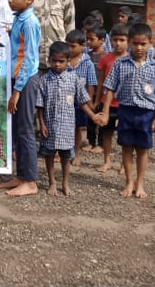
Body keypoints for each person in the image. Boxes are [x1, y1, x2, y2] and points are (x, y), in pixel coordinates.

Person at [98, 23, 155, 199]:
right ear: (130, 43)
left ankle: (140, 183)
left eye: (143, 44)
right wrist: (105, 112)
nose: (138, 48)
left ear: (150, 44)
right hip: (126, 111)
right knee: (126, 147)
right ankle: (129, 182)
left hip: (146, 113)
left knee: (143, 149)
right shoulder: (120, 64)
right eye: (135, 44)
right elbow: (110, 88)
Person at [38, 41, 104, 196]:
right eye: (54, 61)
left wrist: (93, 115)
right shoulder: (44, 80)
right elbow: (39, 105)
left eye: (61, 61)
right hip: (50, 124)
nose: (57, 64)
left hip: (67, 126)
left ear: (68, 61)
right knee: (49, 154)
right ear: (49, 60)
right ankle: (52, 182)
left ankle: (65, 183)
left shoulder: (73, 78)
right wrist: (41, 124)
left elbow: (82, 101)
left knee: (66, 156)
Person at [0, 0, 41, 197]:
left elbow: (30, 59)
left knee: (25, 131)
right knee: (17, 130)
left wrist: (17, 91)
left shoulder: (30, 22)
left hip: (25, 81)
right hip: (16, 79)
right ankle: (22, 176)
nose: (10, 1)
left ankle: (31, 182)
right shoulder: (19, 19)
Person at [93, 23, 129, 172]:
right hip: (106, 103)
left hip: (125, 104)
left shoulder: (131, 60)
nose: (118, 43)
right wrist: (96, 100)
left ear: (128, 41)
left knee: (124, 135)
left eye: (122, 40)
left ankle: (123, 163)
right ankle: (107, 160)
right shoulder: (106, 59)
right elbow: (100, 80)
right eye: (115, 40)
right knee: (106, 133)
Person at [64, 29, 97, 166]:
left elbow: (91, 83)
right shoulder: (63, 61)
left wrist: (89, 101)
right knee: (64, 127)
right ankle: (63, 153)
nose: (70, 49)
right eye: (68, 45)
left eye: (73, 46)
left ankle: (75, 153)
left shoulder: (88, 63)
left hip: (79, 102)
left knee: (77, 128)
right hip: (63, 100)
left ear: (83, 46)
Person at [83, 25, 107, 153]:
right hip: (88, 91)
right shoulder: (86, 56)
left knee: (102, 116)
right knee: (90, 117)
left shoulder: (105, 57)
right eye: (87, 39)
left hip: (102, 92)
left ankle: (101, 143)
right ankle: (91, 141)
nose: (88, 42)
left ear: (102, 40)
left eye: (92, 39)